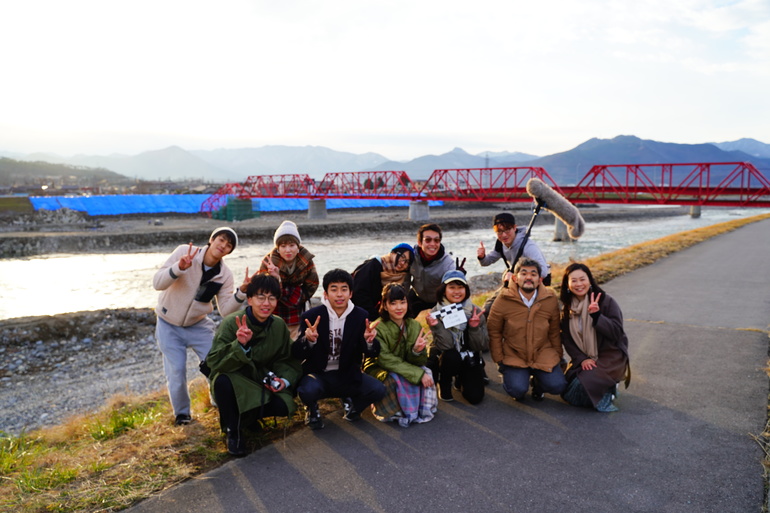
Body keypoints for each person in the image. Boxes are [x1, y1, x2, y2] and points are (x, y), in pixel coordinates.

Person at [152, 227, 248, 426]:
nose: (223, 245)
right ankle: (182, 415)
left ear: (229, 251)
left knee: (216, 363)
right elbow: (157, 283)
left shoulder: (225, 275)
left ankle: (218, 400)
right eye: (221, 240)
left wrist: (241, 293)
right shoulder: (184, 253)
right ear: (211, 240)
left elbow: (225, 311)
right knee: (176, 371)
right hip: (168, 323)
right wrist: (179, 267)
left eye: (229, 245)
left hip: (198, 324)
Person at [205, 274, 302, 456]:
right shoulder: (231, 323)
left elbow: (286, 359)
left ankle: (247, 418)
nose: (266, 303)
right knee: (222, 382)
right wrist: (240, 345)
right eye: (260, 297)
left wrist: (283, 380)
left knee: (283, 405)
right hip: (236, 378)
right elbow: (215, 362)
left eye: (271, 298)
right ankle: (233, 431)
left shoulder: (278, 325)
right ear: (249, 300)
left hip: (262, 381)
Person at [292, 269, 386, 430]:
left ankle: (353, 408)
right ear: (326, 294)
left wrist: (369, 341)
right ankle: (312, 410)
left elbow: (372, 352)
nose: (339, 294)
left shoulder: (360, 316)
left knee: (378, 389)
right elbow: (297, 352)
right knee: (307, 390)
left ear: (351, 293)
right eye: (334, 289)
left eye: (344, 289)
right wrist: (308, 340)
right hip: (319, 374)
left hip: (347, 373)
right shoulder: (312, 316)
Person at [487, 257, 566, 402]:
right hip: (514, 354)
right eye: (524, 273)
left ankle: (538, 384)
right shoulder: (503, 299)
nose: (528, 277)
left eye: (533, 274)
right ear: (515, 278)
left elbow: (554, 331)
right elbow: (494, 331)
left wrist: (558, 356)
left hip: (542, 352)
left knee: (558, 385)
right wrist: (499, 359)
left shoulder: (550, 299)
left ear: (540, 280)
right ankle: (514, 378)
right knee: (517, 390)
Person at [559, 263, 630, 412]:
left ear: (590, 280)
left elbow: (617, 333)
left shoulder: (605, 301)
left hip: (610, 354)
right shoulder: (566, 309)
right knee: (567, 392)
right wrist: (582, 359)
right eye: (574, 280)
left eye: (582, 279)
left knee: (582, 387)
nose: (579, 284)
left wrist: (597, 316)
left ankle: (609, 389)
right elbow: (567, 340)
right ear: (567, 284)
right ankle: (604, 387)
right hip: (584, 356)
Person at [363, 283, 437, 427]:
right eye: (393, 303)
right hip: (380, 367)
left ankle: (420, 409)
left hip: (403, 364)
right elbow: (385, 360)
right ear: (385, 305)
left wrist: (416, 351)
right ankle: (396, 411)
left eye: (402, 302)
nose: (399, 307)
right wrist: (417, 373)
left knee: (426, 371)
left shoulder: (414, 325)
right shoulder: (377, 327)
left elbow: (419, 362)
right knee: (395, 378)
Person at [426, 270, 489, 404]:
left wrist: (474, 328)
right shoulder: (436, 313)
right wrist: (437, 327)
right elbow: (446, 345)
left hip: (468, 353)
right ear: (444, 290)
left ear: (466, 290)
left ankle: (461, 379)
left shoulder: (475, 311)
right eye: (452, 287)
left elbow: (481, 346)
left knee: (475, 397)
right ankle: (445, 382)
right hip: (447, 354)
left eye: (460, 287)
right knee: (451, 355)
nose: (456, 292)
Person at [477, 212, 551, 316]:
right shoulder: (501, 244)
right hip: (514, 282)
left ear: (515, 228)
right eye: (499, 232)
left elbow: (543, 272)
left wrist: (516, 276)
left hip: (533, 283)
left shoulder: (528, 246)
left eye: (507, 230)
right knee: (488, 309)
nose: (504, 235)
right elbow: (487, 262)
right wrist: (482, 256)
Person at [259, 220, 319, 339]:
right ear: (277, 248)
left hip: (297, 311)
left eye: (292, 245)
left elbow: (313, 284)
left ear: (298, 246)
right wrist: (276, 279)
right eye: (283, 246)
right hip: (274, 311)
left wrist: (296, 296)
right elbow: (262, 289)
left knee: (295, 343)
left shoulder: (306, 260)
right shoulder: (269, 262)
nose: (288, 250)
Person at [409, 223, 460, 317]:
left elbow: (455, 291)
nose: (432, 244)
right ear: (419, 243)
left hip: (440, 299)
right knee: (400, 312)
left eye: (436, 240)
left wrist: (459, 277)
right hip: (418, 295)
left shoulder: (448, 263)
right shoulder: (410, 256)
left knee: (453, 320)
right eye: (428, 240)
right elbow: (402, 279)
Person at [351, 243, 414, 320]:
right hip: (358, 312)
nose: (403, 263)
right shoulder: (373, 265)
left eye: (407, 262)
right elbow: (359, 293)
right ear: (393, 253)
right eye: (402, 257)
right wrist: (374, 316)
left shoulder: (400, 277)